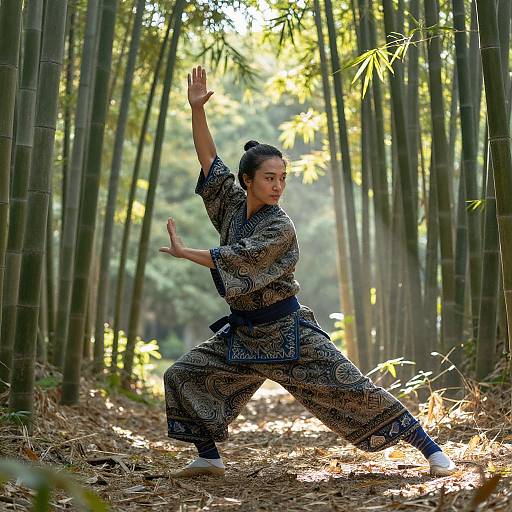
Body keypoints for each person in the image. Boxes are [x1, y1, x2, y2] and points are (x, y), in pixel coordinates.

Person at [159, 65, 456, 479]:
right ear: (247, 180)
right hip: (243, 336)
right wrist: (196, 111)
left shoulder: (280, 226)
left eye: (283, 178)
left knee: (354, 390)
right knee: (182, 375)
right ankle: (209, 456)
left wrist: (185, 252)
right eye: (269, 178)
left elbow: (240, 258)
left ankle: (431, 450)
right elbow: (209, 159)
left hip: (287, 332)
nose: (278, 185)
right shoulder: (229, 203)